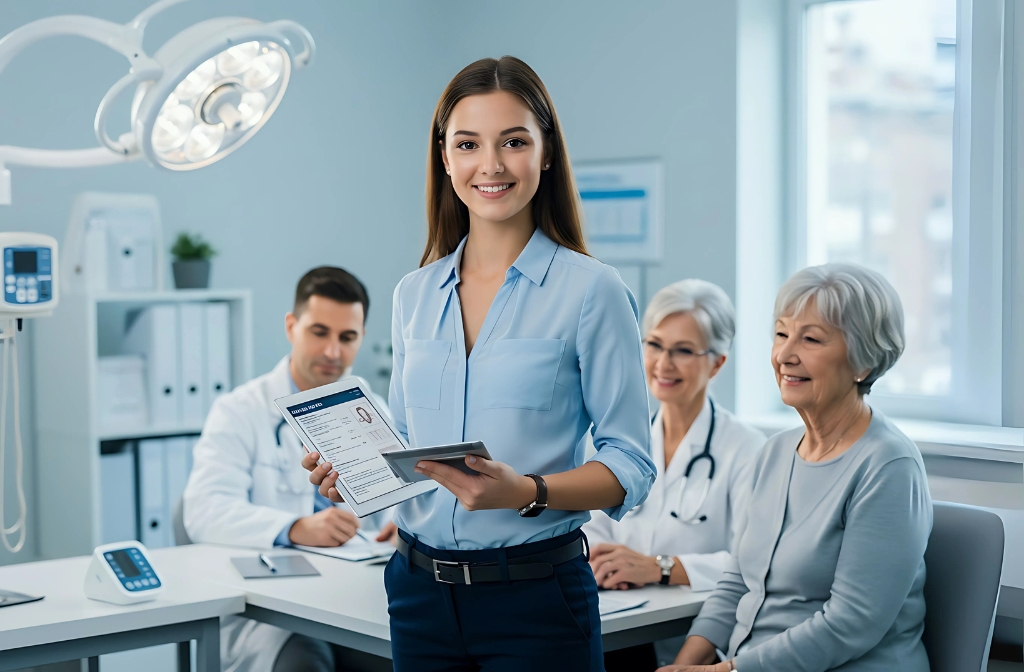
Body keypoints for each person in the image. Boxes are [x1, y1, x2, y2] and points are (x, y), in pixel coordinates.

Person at [303, 56, 655, 672]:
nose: (490, 165)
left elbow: (632, 462)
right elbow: (415, 452)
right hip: (419, 596)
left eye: (514, 142)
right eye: (468, 144)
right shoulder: (414, 293)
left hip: (536, 603)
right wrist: (357, 472)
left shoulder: (591, 291)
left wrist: (528, 491)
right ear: (445, 157)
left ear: (546, 155)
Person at [661, 263, 932, 672]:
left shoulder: (888, 466)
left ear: (864, 362)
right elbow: (737, 583)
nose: (785, 355)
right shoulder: (775, 452)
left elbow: (850, 624)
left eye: (810, 339)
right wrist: (683, 666)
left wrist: (729, 671)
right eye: (782, 333)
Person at [183, 266, 393, 672]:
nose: (334, 351)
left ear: (361, 338)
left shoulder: (372, 411)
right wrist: (295, 528)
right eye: (319, 332)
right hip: (271, 616)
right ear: (291, 326)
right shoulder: (239, 410)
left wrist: (404, 527)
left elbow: (400, 503)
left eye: (347, 337)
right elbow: (203, 511)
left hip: (354, 598)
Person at [585, 280, 766, 671]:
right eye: (654, 344)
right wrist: (602, 562)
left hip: (702, 644)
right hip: (624, 625)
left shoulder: (747, 450)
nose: (663, 363)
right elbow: (594, 524)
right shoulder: (622, 442)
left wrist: (660, 568)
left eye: (683, 350)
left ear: (717, 362)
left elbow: (754, 564)